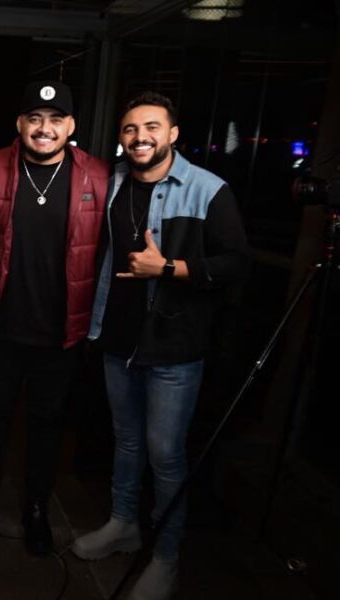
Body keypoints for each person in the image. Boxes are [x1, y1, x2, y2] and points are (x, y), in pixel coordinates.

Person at [72, 92, 249, 600]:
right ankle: (123, 523)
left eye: (152, 127)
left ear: (172, 134)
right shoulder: (113, 184)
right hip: (118, 339)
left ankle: (166, 557)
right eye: (130, 129)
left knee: (166, 454)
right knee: (125, 441)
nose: (140, 137)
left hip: (174, 347)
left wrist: (169, 268)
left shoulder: (207, 190)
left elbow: (237, 264)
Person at [0, 81, 108, 556]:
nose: (45, 128)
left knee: (47, 422)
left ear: (71, 126)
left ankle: (37, 508)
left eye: (55, 119)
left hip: (60, 330)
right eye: (35, 119)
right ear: (20, 124)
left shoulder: (96, 177)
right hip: (2, 325)